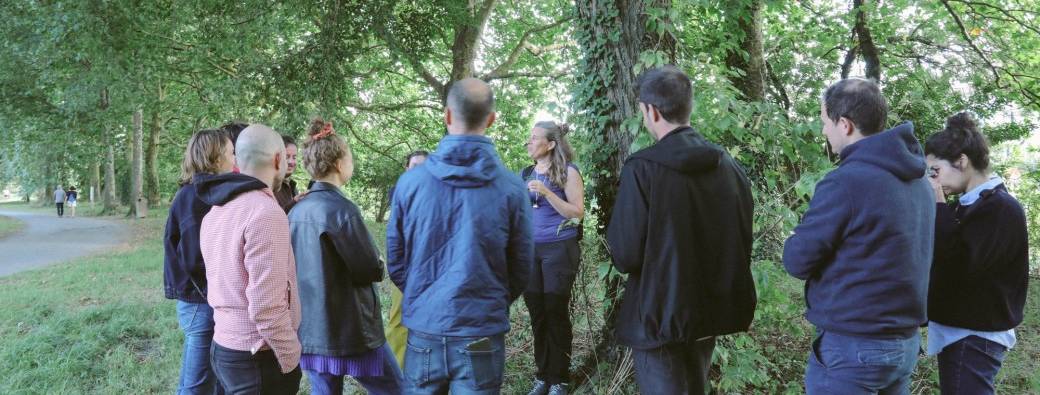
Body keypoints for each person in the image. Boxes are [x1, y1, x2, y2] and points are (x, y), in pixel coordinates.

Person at [606, 66, 756, 394]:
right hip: (709, 312)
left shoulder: (643, 168)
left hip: (657, 316)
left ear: (651, 111)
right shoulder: (729, 166)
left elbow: (626, 254)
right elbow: (742, 238)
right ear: (689, 106)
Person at [782, 78, 934, 394]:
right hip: (904, 343)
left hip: (854, 348)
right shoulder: (920, 182)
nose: (824, 131)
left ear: (845, 125)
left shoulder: (845, 182)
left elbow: (797, 261)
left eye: (826, 122)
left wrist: (795, 236)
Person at [386, 78, 533, 394]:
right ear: (491, 119)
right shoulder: (512, 187)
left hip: (427, 325)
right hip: (480, 326)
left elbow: (396, 261)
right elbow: (522, 266)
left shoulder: (410, 184)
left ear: (447, 115)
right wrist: (490, 301)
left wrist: (424, 296)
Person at [289, 118, 404, 394]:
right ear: (340, 164)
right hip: (350, 332)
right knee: (398, 390)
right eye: (350, 157)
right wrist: (380, 262)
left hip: (310, 331)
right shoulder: (342, 210)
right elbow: (370, 269)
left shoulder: (296, 210)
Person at [924, 112, 1029, 395]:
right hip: (963, 334)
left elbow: (957, 264)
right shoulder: (970, 205)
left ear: (961, 161)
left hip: (974, 337)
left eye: (935, 170)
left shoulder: (999, 208)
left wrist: (938, 203)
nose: (933, 180)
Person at [198, 124, 302, 394]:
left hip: (223, 348)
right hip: (258, 356)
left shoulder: (216, 210)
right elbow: (266, 307)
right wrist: (290, 356)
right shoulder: (265, 213)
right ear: (277, 159)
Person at [163, 129, 235, 394]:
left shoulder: (201, 192)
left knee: (208, 379)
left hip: (201, 298)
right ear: (215, 157)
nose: (235, 159)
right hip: (199, 300)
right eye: (231, 153)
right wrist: (218, 293)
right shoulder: (196, 196)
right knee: (198, 383)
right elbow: (194, 256)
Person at [521, 121, 584, 395]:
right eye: (530, 137)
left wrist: (547, 192)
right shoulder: (526, 173)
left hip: (560, 249)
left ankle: (559, 379)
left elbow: (577, 213)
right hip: (530, 251)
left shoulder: (568, 171)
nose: (529, 142)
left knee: (555, 311)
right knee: (538, 314)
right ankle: (542, 376)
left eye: (535, 138)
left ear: (550, 144)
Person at [385, 149, 428, 368]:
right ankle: (397, 373)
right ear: (406, 169)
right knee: (399, 321)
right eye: (415, 166)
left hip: (430, 270)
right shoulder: (398, 194)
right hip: (405, 270)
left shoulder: (437, 194)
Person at [273, 134, 300, 213]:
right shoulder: (271, 186)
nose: (291, 162)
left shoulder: (292, 185)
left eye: (294, 157)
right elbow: (272, 216)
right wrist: (294, 202)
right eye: (287, 157)